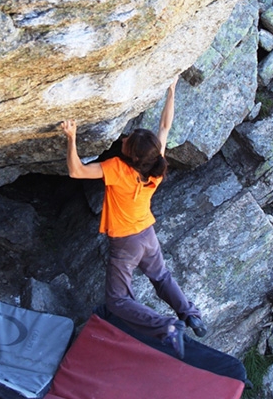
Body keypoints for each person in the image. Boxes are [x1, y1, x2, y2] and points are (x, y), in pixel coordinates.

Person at [61, 80, 207, 359]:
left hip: (126, 241)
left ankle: (168, 326)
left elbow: (76, 172)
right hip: (147, 235)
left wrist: (71, 138)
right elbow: (165, 127)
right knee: (161, 276)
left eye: (128, 140)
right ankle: (190, 315)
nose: (124, 138)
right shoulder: (155, 167)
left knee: (117, 300)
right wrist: (171, 91)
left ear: (131, 154)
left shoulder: (117, 169)